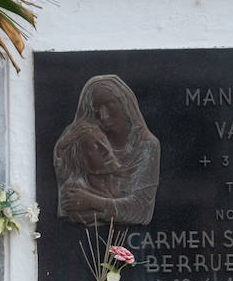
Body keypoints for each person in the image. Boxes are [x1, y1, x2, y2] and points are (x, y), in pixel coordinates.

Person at [53, 75, 160, 227]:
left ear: (123, 104)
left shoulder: (147, 146)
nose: (103, 116)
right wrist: (63, 144)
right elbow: (69, 202)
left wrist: (90, 201)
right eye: (96, 109)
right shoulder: (85, 140)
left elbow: (141, 210)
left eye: (108, 105)